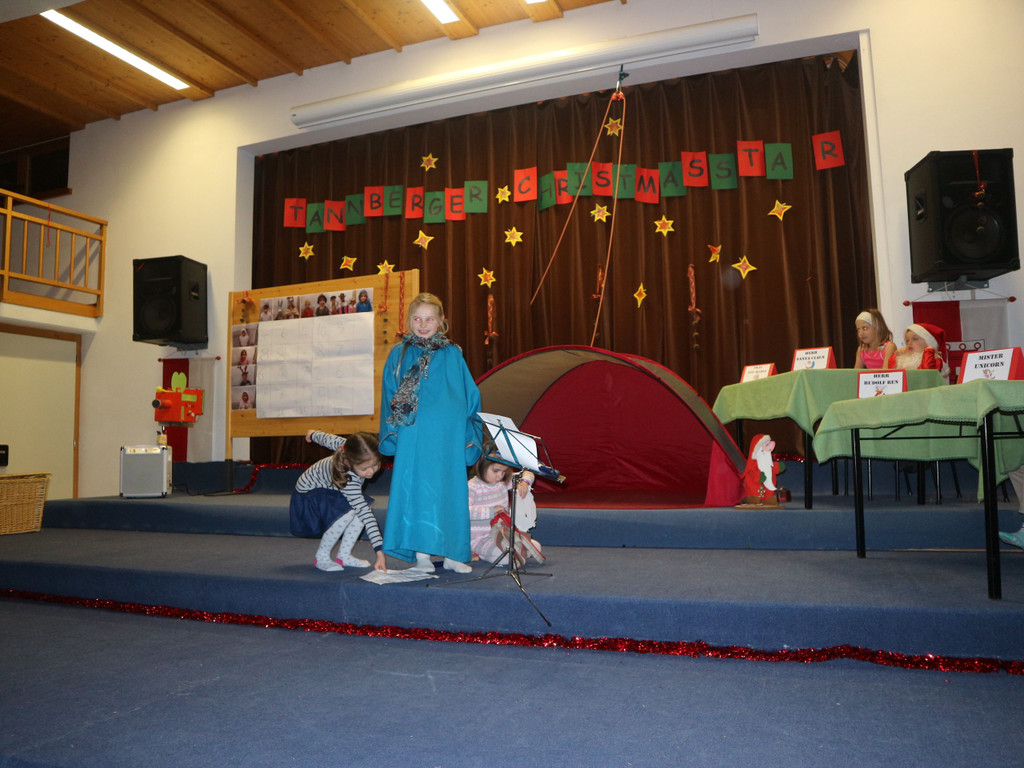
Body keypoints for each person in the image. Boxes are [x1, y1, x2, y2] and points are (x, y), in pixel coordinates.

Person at [378, 292, 484, 574]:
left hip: (447, 437)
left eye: (429, 319)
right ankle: (422, 554)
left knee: (450, 491)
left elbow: (470, 396)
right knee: (418, 492)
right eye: (417, 319)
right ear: (409, 321)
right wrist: (393, 432)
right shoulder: (399, 354)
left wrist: (468, 435)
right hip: (412, 435)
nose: (423, 324)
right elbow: (389, 394)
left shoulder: (452, 354)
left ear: (441, 321)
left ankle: (452, 553)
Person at [289, 429, 387, 573]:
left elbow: (327, 439)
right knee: (349, 512)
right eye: (365, 468)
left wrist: (313, 434)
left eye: (375, 464)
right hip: (308, 496)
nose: (371, 472)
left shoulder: (350, 447)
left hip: (329, 489)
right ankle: (321, 557)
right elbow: (366, 516)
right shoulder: (348, 479)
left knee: (360, 508)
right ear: (350, 463)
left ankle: (344, 556)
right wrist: (379, 552)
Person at [468, 453, 544, 565]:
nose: (500, 476)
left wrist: (524, 483)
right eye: (496, 471)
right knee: (506, 558)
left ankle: (514, 556)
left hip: (504, 534)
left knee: (536, 547)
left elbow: (529, 473)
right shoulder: (472, 487)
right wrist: (491, 511)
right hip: (480, 538)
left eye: (504, 471)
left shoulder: (503, 482)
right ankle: (478, 552)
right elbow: (464, 512)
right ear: (481, 465)